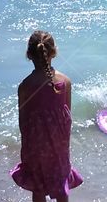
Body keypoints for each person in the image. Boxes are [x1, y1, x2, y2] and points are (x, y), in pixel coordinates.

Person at [11, 31, 83, 201]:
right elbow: (68, 117)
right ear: (54, 53)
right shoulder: (65, 81)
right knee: (61, 183)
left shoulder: (25, 86)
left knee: (38, 186)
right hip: (60, 142)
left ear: (29, 54)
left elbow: (23, 122)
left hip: (35, 144)